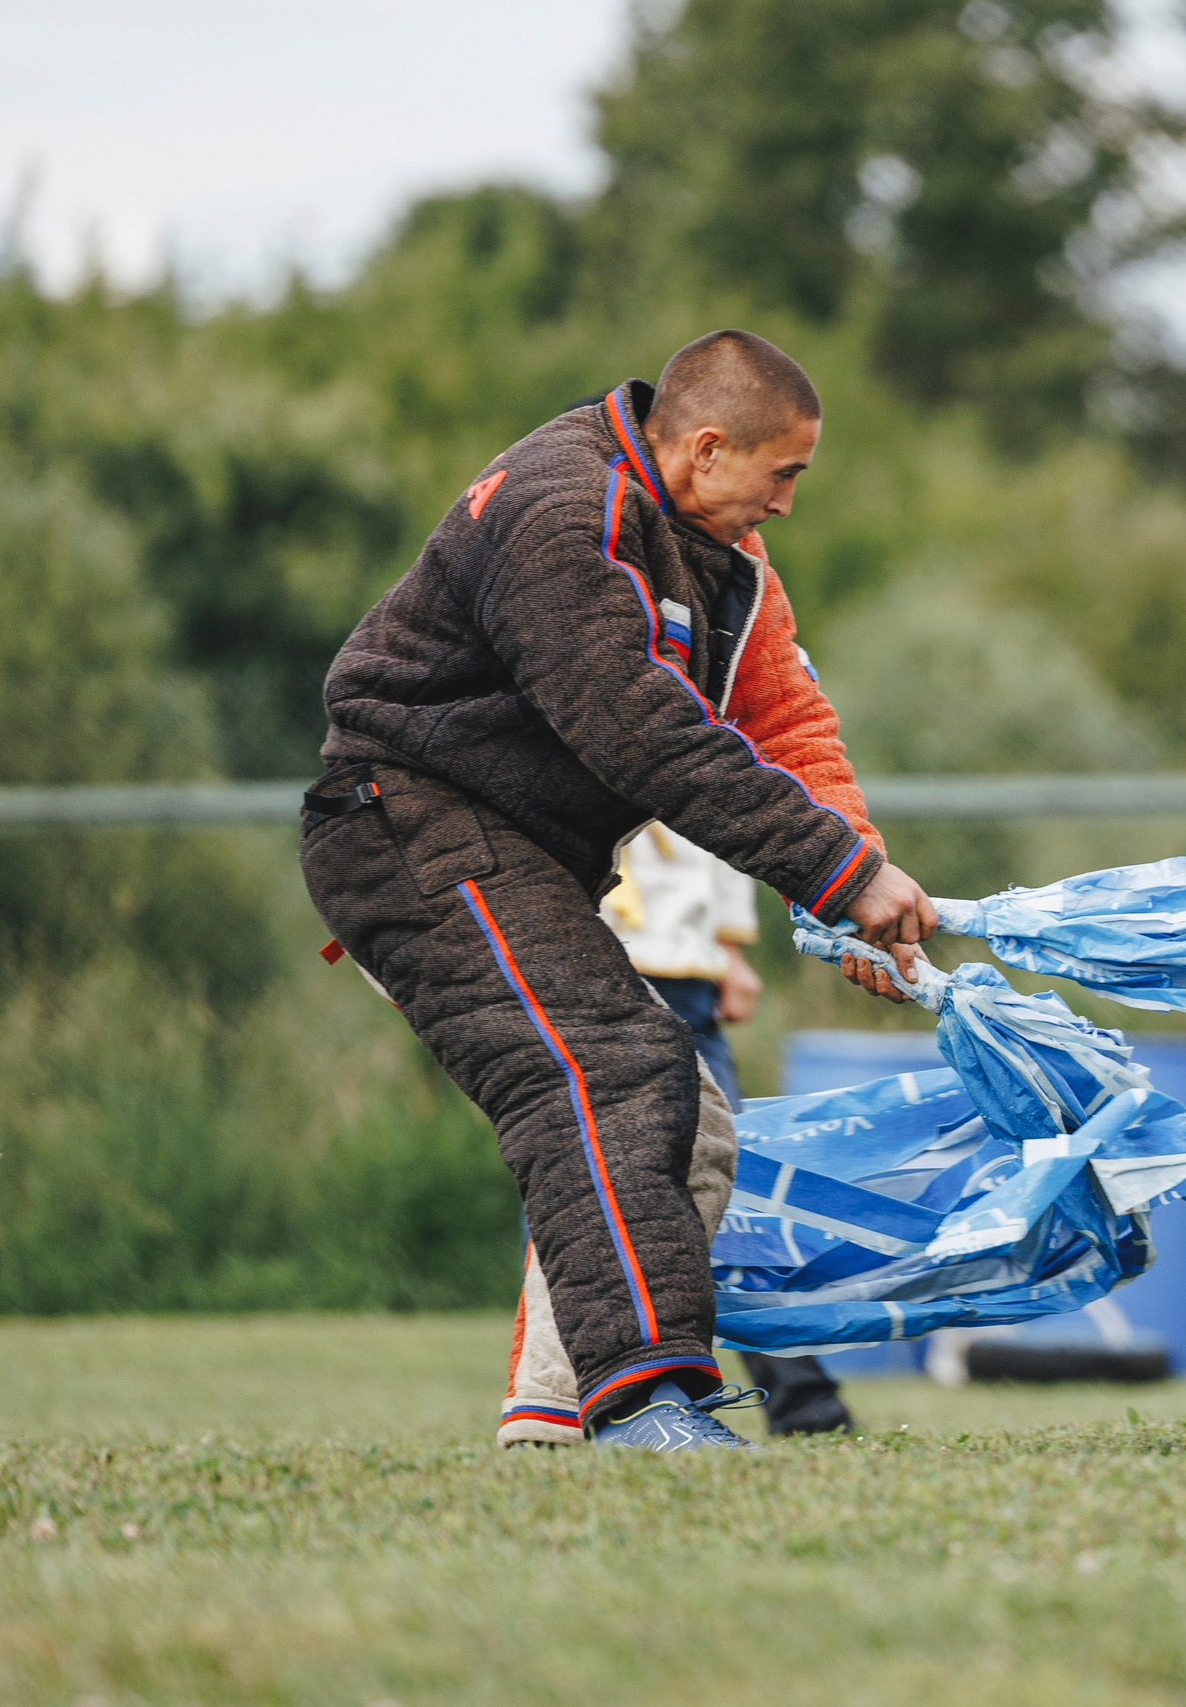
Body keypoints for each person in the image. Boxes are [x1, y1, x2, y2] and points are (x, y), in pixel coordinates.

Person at [302, 331, 931, 1453]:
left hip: (506, 847)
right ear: (703, 448)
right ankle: (645, 1408)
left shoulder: (722, 560)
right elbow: (642, 737)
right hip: (409, 822)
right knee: (606, 1071)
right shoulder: (559, 511)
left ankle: (560, 1418)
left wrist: (849, 889)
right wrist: (841, 877)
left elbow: (786, 729)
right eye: (784, 474)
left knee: (686, 1117)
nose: (789, 504)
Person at [496, 826, 855, 1443]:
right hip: (581, 963)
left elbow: (709, 819)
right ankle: (558, 1401)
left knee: (737, 1183)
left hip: (686, 972)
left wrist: (729, 945)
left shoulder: (675, 733)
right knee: (571, 1182)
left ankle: (803, 1403)